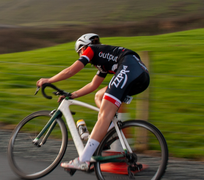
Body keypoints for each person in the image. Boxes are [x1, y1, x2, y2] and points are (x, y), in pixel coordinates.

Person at [36, 33, 150, 171]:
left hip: (129, 69)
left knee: (103, 116)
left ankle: (83, 160)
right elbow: (93, 85)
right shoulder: (102, 60)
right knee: (99, 96)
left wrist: (48, 80)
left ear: (83, 48)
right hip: (140, 75)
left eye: (79, 53)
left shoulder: (91, 50)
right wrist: (73, 95)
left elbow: (71, 71)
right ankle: (109, 129)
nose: (81, 56)